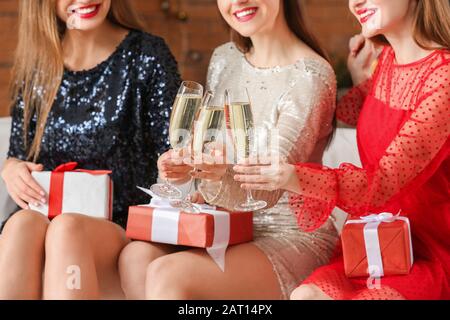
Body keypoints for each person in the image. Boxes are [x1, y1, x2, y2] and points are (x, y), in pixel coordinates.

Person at [119, 0, 338, 300]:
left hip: (287, 232)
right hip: (226, 224)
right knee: (135, 257)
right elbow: (209, 153)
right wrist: (186, 171)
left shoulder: (310, 75)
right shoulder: (225, 59)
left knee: (167, 273)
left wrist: (218, 176)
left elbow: (270, 187)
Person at [233, 0, 450, 300]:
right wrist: (358, 78)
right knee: (303, 296)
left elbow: (383, 181)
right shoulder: (386, 61)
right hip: (372, 245)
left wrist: (293, 177)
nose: (355, 3)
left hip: (426, 253)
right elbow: (357, 115)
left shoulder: (444, 78)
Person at [0, 0, 180, 299]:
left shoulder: (147, 56)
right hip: (44, 217)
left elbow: (175, 154)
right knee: (21, 225)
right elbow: (18, 155)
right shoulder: (37, 68)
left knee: (67, 228)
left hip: (121, 222)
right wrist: (12, 169)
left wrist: (178, 164)